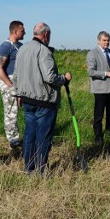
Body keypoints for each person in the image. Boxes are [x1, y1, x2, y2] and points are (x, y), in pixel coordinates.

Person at [14, 22, 72, 174]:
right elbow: (50, 77)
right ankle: (40, 170)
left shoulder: (22, 49)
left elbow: (16, 76)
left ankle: (29, 168)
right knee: (43, 137)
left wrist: (19, 93)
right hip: (44, 101)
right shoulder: (44, 51)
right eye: (49, 35)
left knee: (29, 135)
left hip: (26, 100)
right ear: (46, 34)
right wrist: (64, 79)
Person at [0, 20, 25, 150]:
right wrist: (10, 85)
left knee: (16, 110)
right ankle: (13, 140)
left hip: (18, 82)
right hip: (9, 82)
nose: (25, 32)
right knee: (11, 112)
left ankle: (16, 138)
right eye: (23, 30)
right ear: (15, 31)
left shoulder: (20, 46)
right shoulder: (6, 47)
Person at [86, 31, 110, 144]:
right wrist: (107, 74)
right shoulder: (92, 53)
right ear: (98, 40)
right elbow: (91, 72)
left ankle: (108, 130)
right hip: (100, 89)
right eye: (104, 40)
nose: (106, 42)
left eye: (108, 40)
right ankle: (98, 137)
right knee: (99, 115)